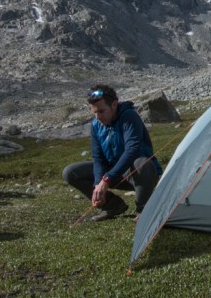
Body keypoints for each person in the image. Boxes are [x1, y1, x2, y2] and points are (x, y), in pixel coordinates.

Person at [62, 85, 162, 221]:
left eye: (102, 111)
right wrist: (99, 184)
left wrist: (107, 179)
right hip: (114, 173)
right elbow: (98, 159)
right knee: (70, 172)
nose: (98, 116)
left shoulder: (129, 116)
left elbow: (132, 150)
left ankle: (143, 209)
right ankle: (112, 206)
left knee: (142, 163)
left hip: (137, 173)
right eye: (94, 112)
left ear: (114, 104)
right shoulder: (96, 125)